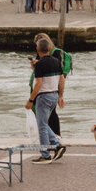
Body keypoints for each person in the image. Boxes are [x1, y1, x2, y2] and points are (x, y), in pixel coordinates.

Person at [27, 34, 67, 162]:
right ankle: (56, 144)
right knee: (43, 123)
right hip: (54, 95)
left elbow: (38, 84)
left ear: (38, 50)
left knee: (42, 126)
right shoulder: (56, 61)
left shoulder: (40, 64)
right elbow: (61, 79)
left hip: (43, 96)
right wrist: (61, 95)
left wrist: (30, 100)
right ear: (49, 49)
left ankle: (45, 154)